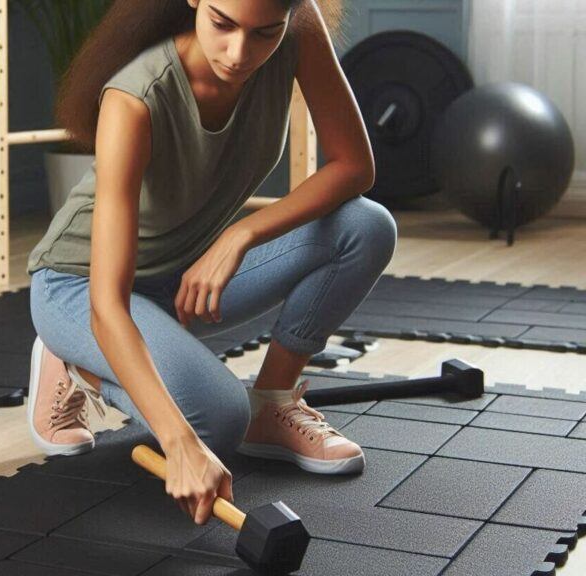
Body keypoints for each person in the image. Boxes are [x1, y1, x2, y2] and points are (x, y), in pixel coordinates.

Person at [26, 0, 397, 527]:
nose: (239, 52)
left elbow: (354, 166)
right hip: (82, 286)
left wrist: (241, 233)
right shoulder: (134, 98)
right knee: (217, 422)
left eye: (264, 32)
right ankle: (72, 358)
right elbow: (107, 303)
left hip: (184, 275)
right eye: (222, 24)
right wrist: (178, 442)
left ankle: (272, 403)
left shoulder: (300, 27)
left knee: (366, 226)